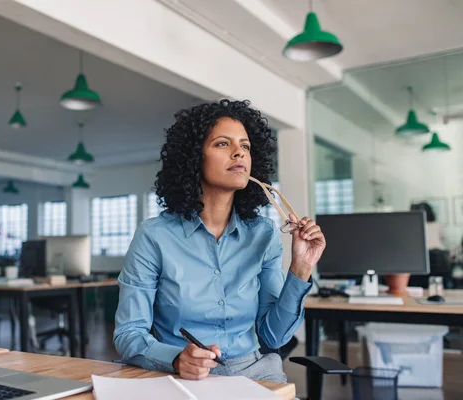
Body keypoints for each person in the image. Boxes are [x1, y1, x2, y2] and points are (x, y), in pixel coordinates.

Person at [113, 99, 326, 382]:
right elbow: (129, 333)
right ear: (194, 158)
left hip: (254, 372)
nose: (239, 153)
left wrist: (301, 267)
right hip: (180, 376)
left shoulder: (264, 234)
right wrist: (176, 359)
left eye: (246, 146)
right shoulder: (154, 236)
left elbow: (273, 336)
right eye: (223, 144)